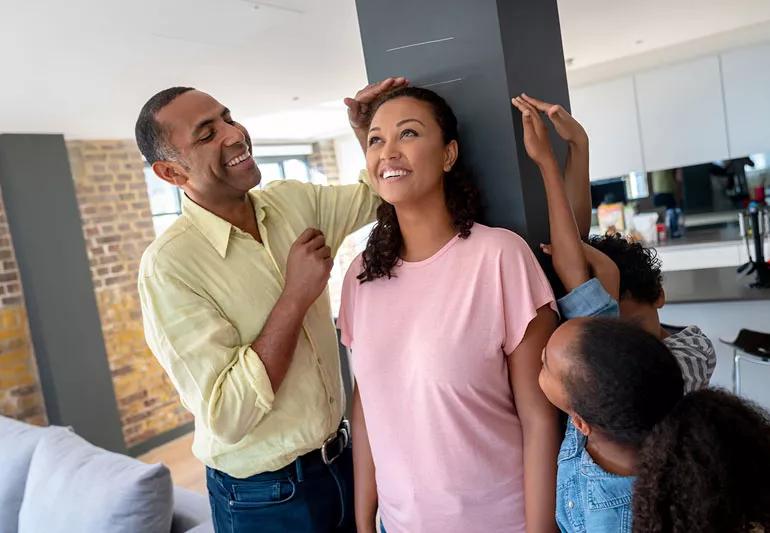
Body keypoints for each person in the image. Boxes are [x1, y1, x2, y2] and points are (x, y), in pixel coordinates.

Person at [135, 79, 403, 533]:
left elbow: (379, 194)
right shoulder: (169, 268)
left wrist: (366, 135)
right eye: (206, 133)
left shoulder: (292, 202)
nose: (234, 133)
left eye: (227, 116)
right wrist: (295, 296)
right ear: (172, 174)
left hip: (344, 463)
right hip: (265, 499)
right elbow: (227, 415)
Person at [337, 86, 561, 533]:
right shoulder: (360, 275)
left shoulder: (499, 256)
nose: (388, 152)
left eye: (409, 134)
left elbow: (540, 419)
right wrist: (364, 522)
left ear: (448, 154)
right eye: (376, 140)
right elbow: (365, 407)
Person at [511, 94, 716, 392]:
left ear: (658, 295)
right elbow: (574, 249)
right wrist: (579, 145)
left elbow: (613, 354)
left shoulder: (691, 354)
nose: (624, 343)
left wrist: (548, 164)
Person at [538, 317, 770, 533]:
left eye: (545, 364)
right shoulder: (619, 400)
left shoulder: (618, 521)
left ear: (579, 422)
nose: (539, 354)